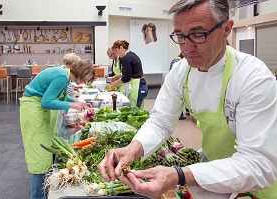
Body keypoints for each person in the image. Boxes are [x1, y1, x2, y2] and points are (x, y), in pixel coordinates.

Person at [98, 0, 277, 199]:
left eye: (198, 34)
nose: (187, 47)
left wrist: (179, 175)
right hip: (216, 179)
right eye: (180, 36)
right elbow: (160, 122)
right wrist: (132, 149)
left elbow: (259, 164)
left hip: (257, 187)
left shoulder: (253, 78)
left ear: (226, 29)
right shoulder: (182, 72)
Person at [20, 59, 94, 199]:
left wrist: (78, 102)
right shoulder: (61, 77)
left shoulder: (65, 76)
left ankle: (43, 193)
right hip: (33, 111)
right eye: (87, 77)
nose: (85, 82)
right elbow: (46, 102)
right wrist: (72, 106)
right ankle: (38, 196)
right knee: (40, 156)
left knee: (45, 151)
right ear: (82, 72)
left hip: (38, 110)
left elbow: (63, 97)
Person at [110, 40, 148, 109]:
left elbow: (127, 77)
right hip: (141, 85)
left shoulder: (127, 58)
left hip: (138, 87)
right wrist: (116, 76)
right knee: (138, 110)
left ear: (121, 48)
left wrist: (116, 83)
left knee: (133, 110)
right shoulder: (130, 55)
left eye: (116, 51)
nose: (116, 54)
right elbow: (127, 72)